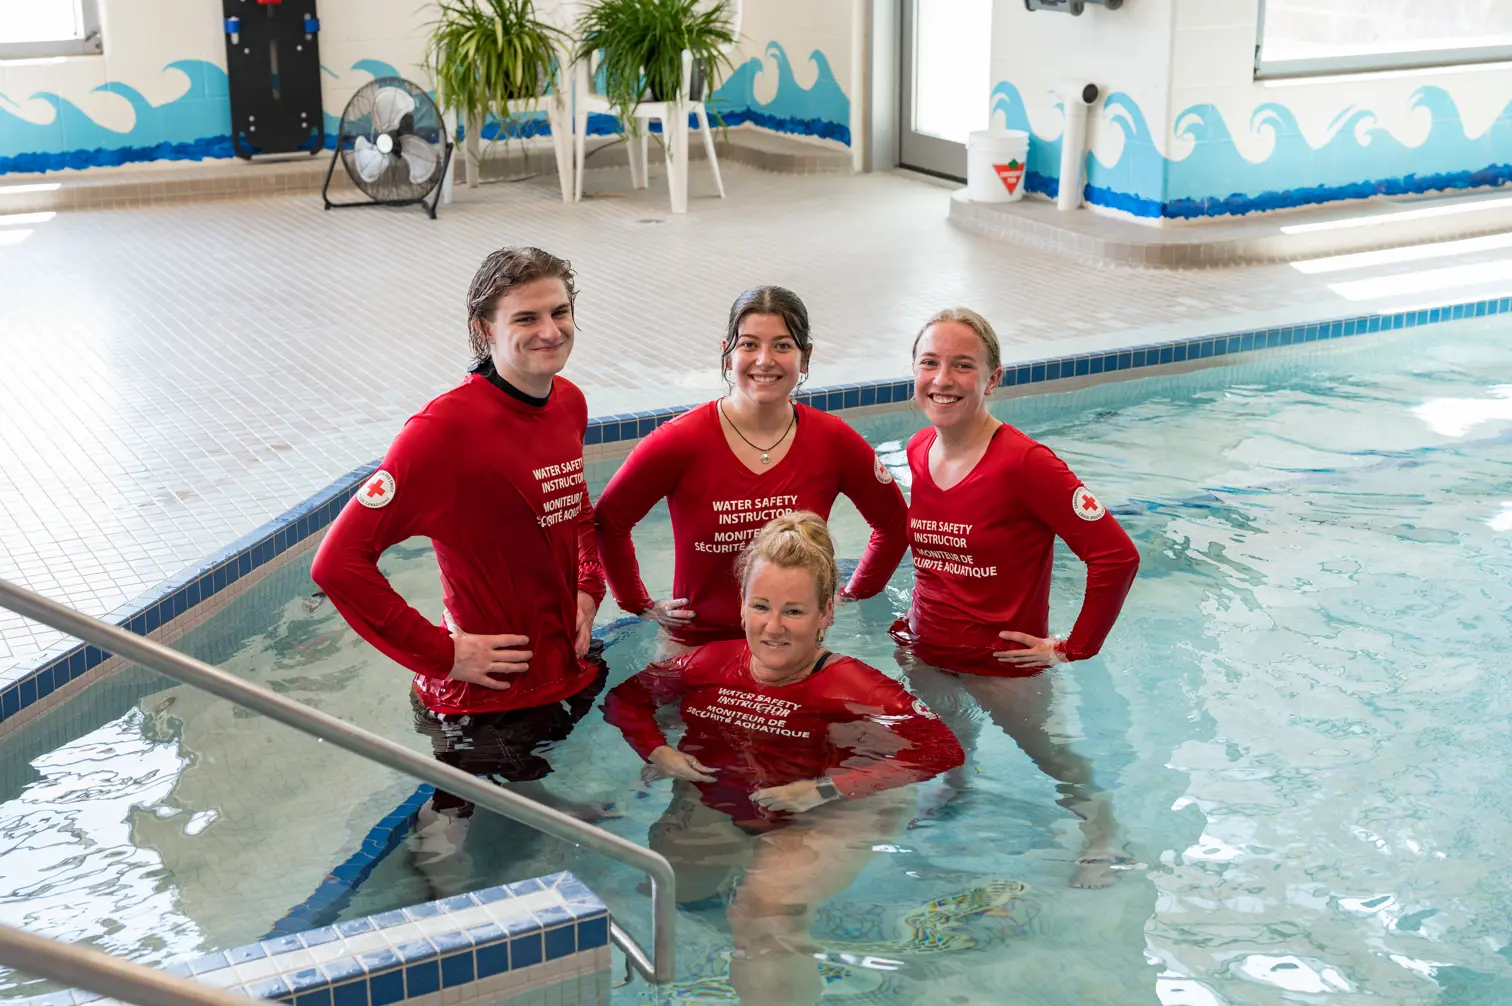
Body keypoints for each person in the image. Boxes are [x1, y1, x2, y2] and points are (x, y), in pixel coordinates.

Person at [310, 246, 608, 884]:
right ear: (484, 330)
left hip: (559, 671)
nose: (550, 331)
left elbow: (577, 513)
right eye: (526, 318)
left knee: (535, 792)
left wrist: (588, 591)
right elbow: (337, 563)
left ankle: (536, 801)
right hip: (479, 700)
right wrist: (443, 654)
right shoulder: (442, 431)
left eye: (561, 312)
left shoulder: (568, 403)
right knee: (451, 856)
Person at [603, 512, 963, 1006]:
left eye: (794, 611)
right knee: (670, 893)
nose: (773, 627)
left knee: (762, 912)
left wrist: (824, 790)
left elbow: (941, 748)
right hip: (734, 797)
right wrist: (658, 750)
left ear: (826, 614)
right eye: (761, 607)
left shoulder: (856, 688)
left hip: (831, 809)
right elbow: (626, 699)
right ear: (743, 606)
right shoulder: (708, 664)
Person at [891, 307, 1141, 889]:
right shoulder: (918, 449)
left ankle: (1105, 832)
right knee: (948, 742)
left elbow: (1116, 557)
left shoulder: (1027, 464)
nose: (942, 380)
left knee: (1057, 765)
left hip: (1002, 665)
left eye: (962, 365)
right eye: (930, 363)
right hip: (926, 650)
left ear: (992, 377)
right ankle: (957, 793)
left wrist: (1070, 649)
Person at [594, 285, 908, 650]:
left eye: (782, 345)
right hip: (696, 644)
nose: (765, 360)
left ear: (805, 359)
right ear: (727, 354)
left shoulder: (832, 440)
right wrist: (639, 605)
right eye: (749, 344)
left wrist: (851, 595)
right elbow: (610, 521)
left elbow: (894, 524)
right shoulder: (679, 441)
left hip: (794, 647)